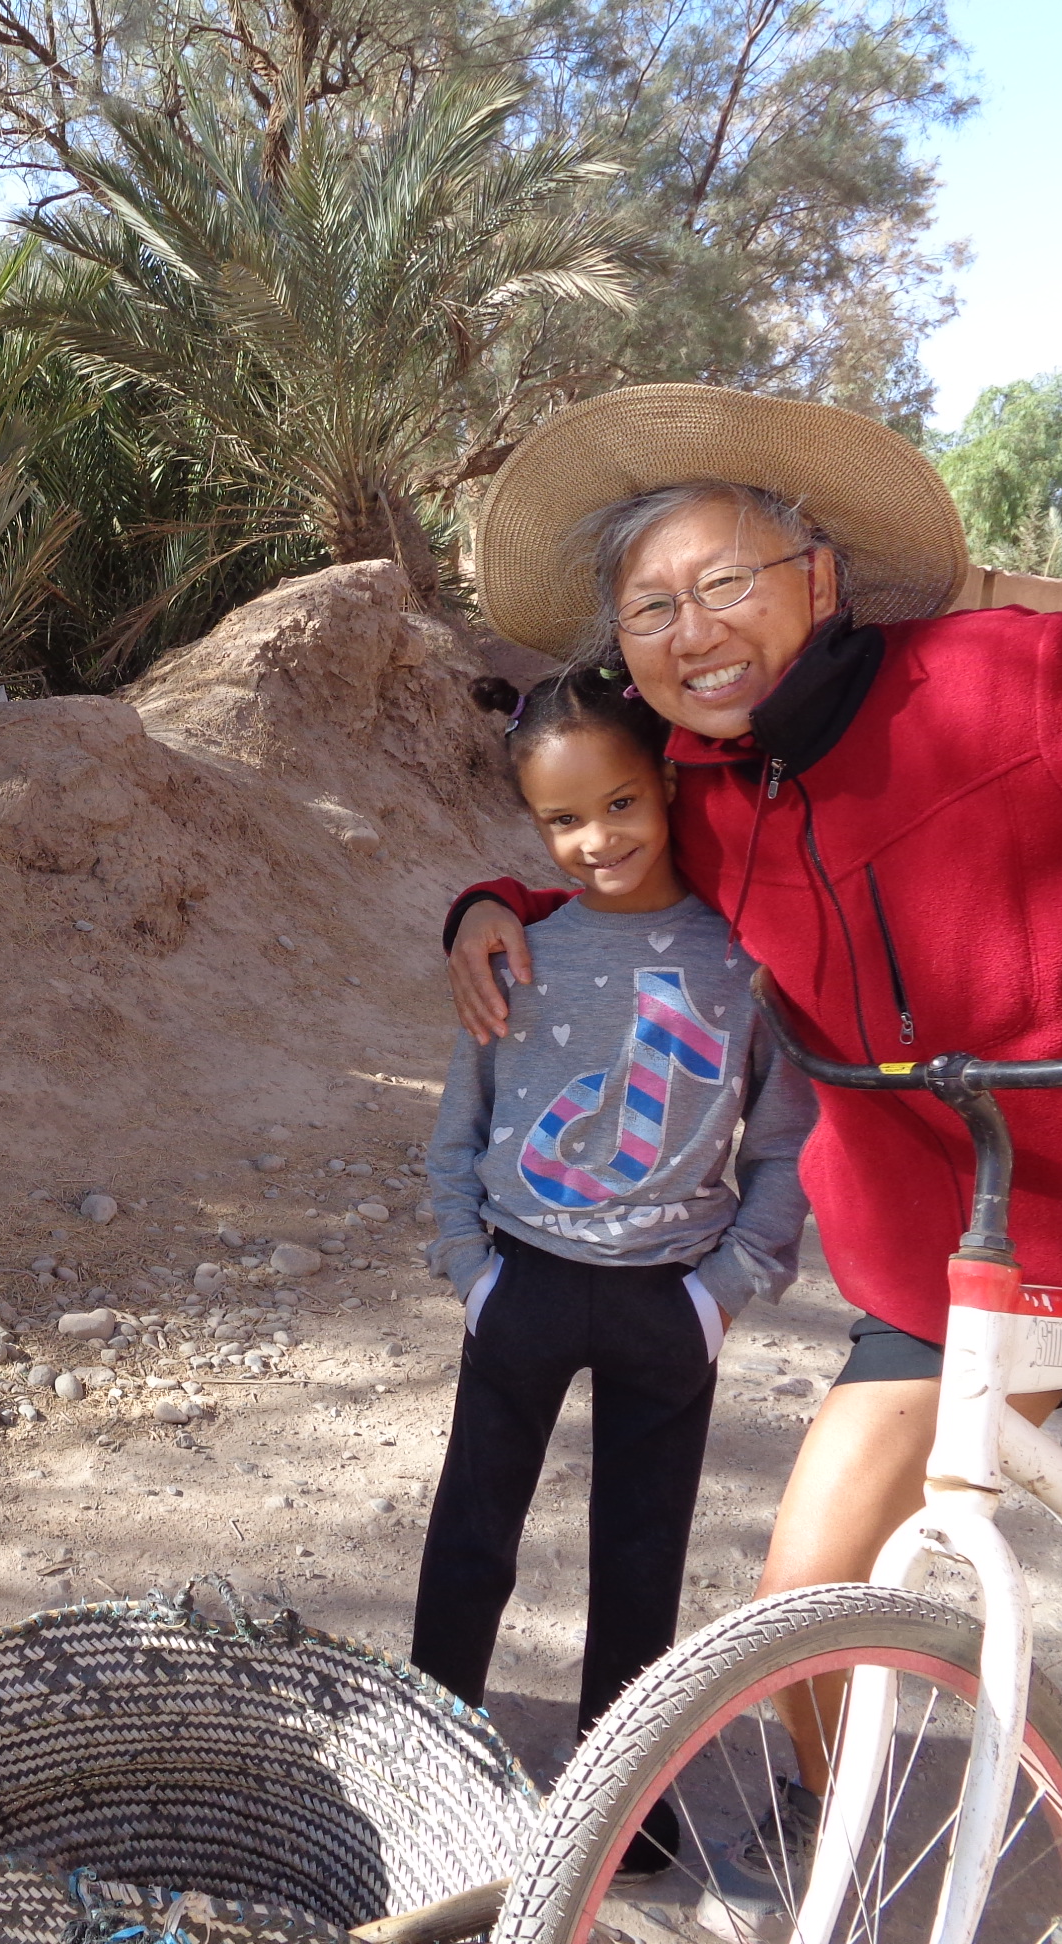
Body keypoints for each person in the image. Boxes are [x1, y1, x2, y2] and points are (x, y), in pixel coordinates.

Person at [440, 382, 1062, 1902]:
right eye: (651, 607)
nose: (693, 632)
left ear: (819, 577)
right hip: (957, 1264)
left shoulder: (1008, 681)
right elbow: (613, 866)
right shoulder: (697, 784)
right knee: (807, 1598)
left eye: (726, 582)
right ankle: (853, 1853)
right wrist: (497, 907)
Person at [413, 665, 814, 1877]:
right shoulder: (516, 946)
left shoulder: (745, 960)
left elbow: (786, 1141)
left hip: (667, 1305)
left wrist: (721, 1293)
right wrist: (471, 1271)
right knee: (471, 1538)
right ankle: (426, 1762)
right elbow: (462, 1120)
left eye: (624, 804)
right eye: (563, 822)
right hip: (522, 1285)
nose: (598, 841)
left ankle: (623, 1809)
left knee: (642, 1561)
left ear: (669, 784)